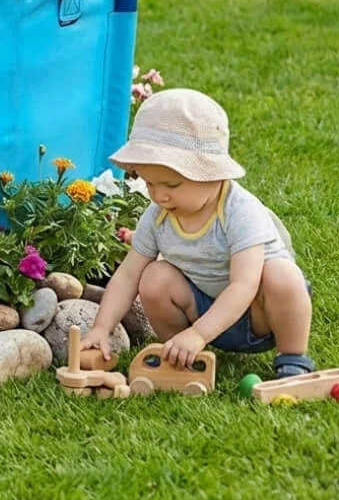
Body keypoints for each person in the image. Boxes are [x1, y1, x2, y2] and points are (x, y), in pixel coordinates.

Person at [80, 88, 314, 380]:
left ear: (212, 174)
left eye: (172, 185)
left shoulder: (240, 212)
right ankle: (182, 356)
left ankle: (292, 358)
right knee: (153, 277)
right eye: (150, 184)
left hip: (261, 314)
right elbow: (128, 275)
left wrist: (199, 333)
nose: (160, 196)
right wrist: (102, 327)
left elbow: (244, 285)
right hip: (203, 308)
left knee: (282, 275)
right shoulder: (158, 215)